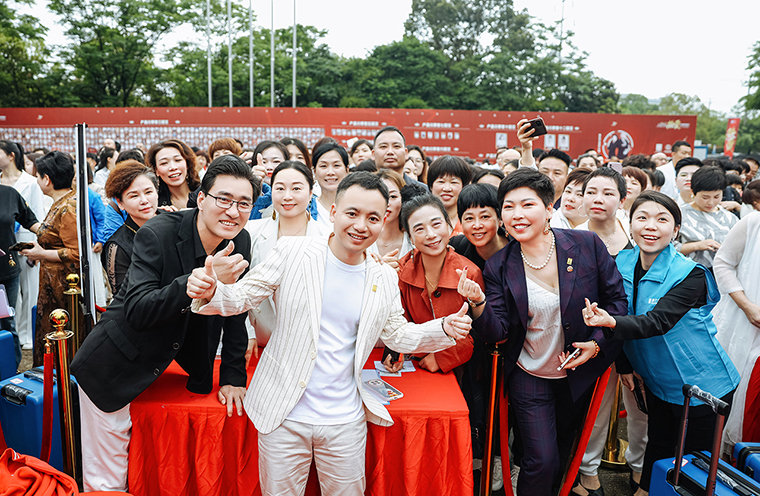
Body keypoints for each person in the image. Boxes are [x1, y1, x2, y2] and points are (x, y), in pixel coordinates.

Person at [187, 172, 472, 495]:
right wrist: (213, 291)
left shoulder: (382, 276)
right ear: (334, 212)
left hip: (345, 420)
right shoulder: (293, 251)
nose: (361, 225)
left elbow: (397, 334)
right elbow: (244, 296)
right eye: (352, 213)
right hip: (284, 414)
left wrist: (443, 328)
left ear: (383, 222)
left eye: (372, 218)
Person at [70, 156, 260, 491]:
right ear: (201, 198)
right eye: (224, 199)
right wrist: (193, 283)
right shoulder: (156, 233)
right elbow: (137, 310)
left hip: (172, 362)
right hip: (114, 362)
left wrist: (233, 376)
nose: (233, 211)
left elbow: (235, 308)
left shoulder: (240, 240)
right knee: (108, 477)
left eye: (244, 203)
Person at [467, 168, 628, 496]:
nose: (517, 214)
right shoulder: (499, 265)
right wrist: (479, 303)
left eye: (527, 205)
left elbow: (617, 303)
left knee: (563, 454)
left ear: (549, 208)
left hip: (578, 371)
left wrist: (596, 345)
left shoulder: (586, 245)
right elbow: (497, 331)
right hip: (530, 374)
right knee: (541, 459)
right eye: (508, 207)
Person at [582, 191, 740, 496]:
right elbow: (622, 310)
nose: (650, 226)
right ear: (630, 224)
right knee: (658, 446)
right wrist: (624, 364)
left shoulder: (690, 275)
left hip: (704, 386)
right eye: (642, 217)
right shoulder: (620, 262)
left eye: (662, 219)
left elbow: (657, 322)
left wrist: (609, 322)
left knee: (692, 466)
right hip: (657, 383)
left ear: (676, 229)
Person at [383, 194, 479, 375]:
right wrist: (396, 352)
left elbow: (477, 331)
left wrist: (442, 357)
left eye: (436, 224)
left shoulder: (470, 272)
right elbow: (398, 323)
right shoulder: (401, 271)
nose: (431, 235)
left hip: (460, 370)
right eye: (419, 229)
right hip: (413, 365)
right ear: (410, 237)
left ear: (449, 226)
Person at [245, 160, 325, 352]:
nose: (287, 196)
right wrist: (247, 332)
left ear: (311, 193)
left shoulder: (328, 237)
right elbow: (238, 286)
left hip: (312, 345)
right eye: (280, 188)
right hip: (260, 342)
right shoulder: (251, 232)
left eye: (296, 188)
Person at [20, 152, 78, 366]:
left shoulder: (68, 207)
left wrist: (41, 254)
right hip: (52, 282)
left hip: (63, 286)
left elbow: (75, 253)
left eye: (38, 176)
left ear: (47, 179)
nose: (36, 180)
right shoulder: (61, 203)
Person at [712, 210, 760, 452]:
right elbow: (723, 263)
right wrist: (747, 306)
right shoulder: (753, 223)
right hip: (744, 324)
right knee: (738, 398)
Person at [0, 140, 44, 351]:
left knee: (9, 317)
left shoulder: (10, 194)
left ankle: (12, 357)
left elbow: (33, 220)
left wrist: (47, 241)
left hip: (9, 265)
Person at [101, 160, 159, 297]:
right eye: (134, 196)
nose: (144, 200)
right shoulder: (117, 247)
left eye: (148, 192)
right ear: (120, 202)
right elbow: (122, 298)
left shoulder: (173, 221)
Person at [677, 166, 739, 271]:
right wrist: (697, 246)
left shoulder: (729, 218)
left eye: (716, 197)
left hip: (721, 274)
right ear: (693, 191)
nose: (711, 202)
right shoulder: (679, 214)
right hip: (688, 273)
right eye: (705, 197)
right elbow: (667, 248)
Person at [578, 167, 632, 255]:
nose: (598, 200)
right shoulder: (573, 239)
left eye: (608, 194)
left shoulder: (632, 233)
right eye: (591, 192)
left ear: (621, 201)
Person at [368, 169, 412, 269]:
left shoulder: (413, 242)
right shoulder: (361, 239)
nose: (387, 203)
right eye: (381, 196)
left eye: (393, 196)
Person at [146, 139, 201, 211]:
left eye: (178, 160)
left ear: (187, 164)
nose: (173, 167)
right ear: (156, 170)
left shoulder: (206, 193)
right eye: (164, 163)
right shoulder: (155, 205)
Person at [427, 155, 472, 236]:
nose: (447, 188)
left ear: (464, 187)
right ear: (431, 186)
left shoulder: (471, 221)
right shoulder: (420, 219)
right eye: (441, 182)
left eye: (454, 182)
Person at [312, 143, 349, 231]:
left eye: (336, 165)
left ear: (347, 170)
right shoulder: (306, 208)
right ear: (315, 172)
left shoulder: (358, 206)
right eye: (323, 166)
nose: (330, 172)